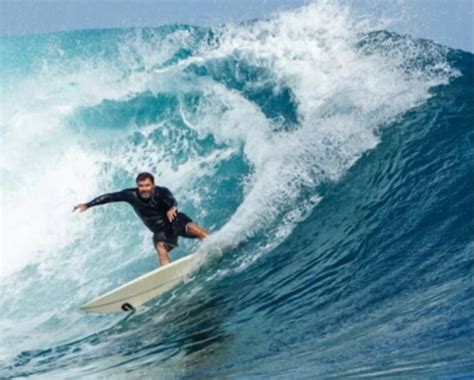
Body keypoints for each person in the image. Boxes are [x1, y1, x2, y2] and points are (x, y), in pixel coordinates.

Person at [73, 172, 209, 266]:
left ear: (153, 185)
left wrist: (172, 207)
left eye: (147, 185)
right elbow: (110, 197)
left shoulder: (161, 192)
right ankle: (168, 273)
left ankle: (214, 242)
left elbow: (170, 199)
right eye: (141, 186)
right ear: (137, 185)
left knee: (193, 228)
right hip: (160, 231)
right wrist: (88, 205)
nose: (144, 189)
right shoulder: (131, 195)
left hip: (175, 221)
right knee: (161, 248)